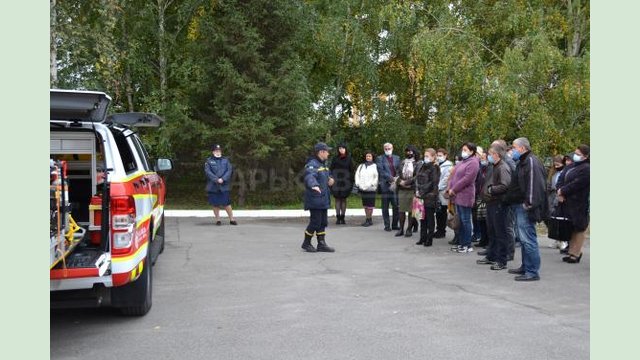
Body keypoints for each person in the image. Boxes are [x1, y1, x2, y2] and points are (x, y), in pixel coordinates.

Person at [503, 137, 548, 281]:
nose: (512, 151)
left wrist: (528, 204)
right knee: (523, 239)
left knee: (528, 239)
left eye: (514, 148)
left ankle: (532, 271)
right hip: (519, 204)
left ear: (522, 148)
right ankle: (525, 266)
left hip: (526, 206)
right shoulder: (522, 162)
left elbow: (535, 185)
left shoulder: (531, 161)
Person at [477, 144, 512, 270]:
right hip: (491, 203)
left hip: (498, 203)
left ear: (496, 155)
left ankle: (501, 260)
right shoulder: (494, 166)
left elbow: (505, 185)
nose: (488, 156)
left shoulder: (502, 167)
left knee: (500, 232)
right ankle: (491, 256)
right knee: (491, 231)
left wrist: (491, 189)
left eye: (491, 154)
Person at [557, 144, 590, 263]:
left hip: (579, 202)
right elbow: (561, 178)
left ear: (585, 156)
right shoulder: (571, 166)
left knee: (579, 228)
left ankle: (576, 253)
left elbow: (578, 183)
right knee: (570, 227)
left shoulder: (586, 168)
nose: (575, 156)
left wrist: (563, 191)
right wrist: (560, 191)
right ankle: (571, 251)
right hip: (567, 201)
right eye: (575, 153)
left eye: (579, 154)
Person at [301, 142, 336, 253]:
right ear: (321, 152)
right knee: (315, 222)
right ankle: (306, 243)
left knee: (322, 222)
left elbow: (326, 177)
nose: (328, 153)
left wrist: (330, 179)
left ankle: (321, 244)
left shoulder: (323, 165)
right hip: (315, 199)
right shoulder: (312, 164)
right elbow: (309, 176)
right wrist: (314, 185)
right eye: (327, 151)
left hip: (323, 199)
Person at [447, 142, 480, 253]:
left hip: (465, 195)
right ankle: (461, 243)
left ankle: (467, 244)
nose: (463, 152)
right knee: (460, 220)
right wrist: (450, 187)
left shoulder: (474, 162)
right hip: (457, 195)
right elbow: (453, 175)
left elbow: (467, 179)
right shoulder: (462, 162)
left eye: (465, 150)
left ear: (472, 151)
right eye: (463, 149)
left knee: (465, 220)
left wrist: (454, 189)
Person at [204, 144, 237, 225]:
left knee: (227, 203)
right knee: (215, 204)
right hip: (213, 186)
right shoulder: (209, 161)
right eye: (216, 151)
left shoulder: (226, 160)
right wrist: (216, 179)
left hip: (224, 185)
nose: (218, 152)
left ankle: (232, 219)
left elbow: (229, 170)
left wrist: (223, 179)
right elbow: (208, 172)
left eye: (219, 151)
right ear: (213, 152)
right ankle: (218, 220)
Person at [415, 148, 440, 246]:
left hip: (429, 196)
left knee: (429, 219)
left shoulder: (435, 167)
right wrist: (417, 190)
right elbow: (417, 178)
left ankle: (429, 240)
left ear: (433, 157)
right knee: (422, 219)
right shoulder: (422, 166)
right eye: (425, 156)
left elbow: (433, 183)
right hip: (421, 196)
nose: (425, 158)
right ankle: (422, 237)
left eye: (427, 156)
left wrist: (423, 191)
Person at [395, 145, 420, 237]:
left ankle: (409, 229)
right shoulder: (402, 162)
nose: (408, 153)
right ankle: (401, 229)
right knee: (401, 210)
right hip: (402, 188)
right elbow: (397, 173)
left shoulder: (418, 163)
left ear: (414, 152)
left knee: (411, 210)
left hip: (412, 188)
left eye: (410, 151)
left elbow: (417, 175)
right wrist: (400, 181)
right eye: (407, 151)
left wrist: (407, 182)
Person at [376, 143, 401, 232]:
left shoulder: (397, 158)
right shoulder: (380, 158)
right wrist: (391, 178)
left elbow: (399, 169)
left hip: (395, 186)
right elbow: (380, 171)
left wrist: (396, 178)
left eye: (389, 148)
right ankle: (387, 225)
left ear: (392, 148)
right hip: (385, 186)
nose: (387, 149)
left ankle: (394, 225)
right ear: (383, 149)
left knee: (396, 206)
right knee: (385, 207)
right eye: (386, 148)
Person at [546, 155, 568, 250]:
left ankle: (563, 240)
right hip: (552, 196)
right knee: (552, 219)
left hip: (559, 196)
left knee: (560, 220)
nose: (556, 166)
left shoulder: (565, 172)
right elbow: (550, 184)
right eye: (555, 165)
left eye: (558, 164)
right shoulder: (553, 173)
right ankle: (556, 239)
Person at [330, 143, 353, 225]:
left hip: (345, 182)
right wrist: (332, 178)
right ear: (338, 150)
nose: (341, 150)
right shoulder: (335, 158)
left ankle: (342, 218)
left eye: (343, 148)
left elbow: (351, 171)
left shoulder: (349, 158)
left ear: (345, 149)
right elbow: (331, 169)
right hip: (336, 181)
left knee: (343, 199)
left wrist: (349, 181)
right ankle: (338, 217)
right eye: (340, 148)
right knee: (337, 199)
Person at [354, 151, 379, 227]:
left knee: (370, 205)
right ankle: (367, 219)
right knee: (365, 205)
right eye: (367, 156)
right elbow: (357, 175)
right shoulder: (361, 166)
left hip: (371, 189)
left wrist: (371, 184)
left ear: (372, 157)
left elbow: (376, 177)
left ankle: (369, 219)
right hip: (362, 188)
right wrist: (358, 183)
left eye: (369, 156)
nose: (368, 157)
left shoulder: (375, 166)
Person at [434, 148, 453, 238]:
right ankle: (439, 229)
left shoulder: (448, 165)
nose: (438, 157)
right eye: (437, 155)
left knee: (442, 212)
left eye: (440, 155)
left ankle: (442, 231)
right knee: (438, 212)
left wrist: (437, 187)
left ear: (445, 156)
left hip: (442, 191)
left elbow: (446, 179)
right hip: (436, 191)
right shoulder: (436, 164)